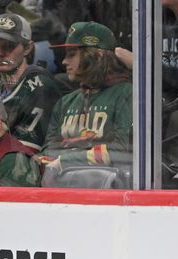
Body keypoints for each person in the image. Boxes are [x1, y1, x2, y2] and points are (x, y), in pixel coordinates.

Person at [39, 22, 133, 182]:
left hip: (110, 191)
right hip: (63, 188)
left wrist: (65, 160)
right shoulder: (65, 102)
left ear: (97, 54)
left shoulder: (127, 93)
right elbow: (48, 152)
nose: (64, 62)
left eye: (72, 54)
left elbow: (122, 151)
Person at [0, 14, 62, 151]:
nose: (0, 53)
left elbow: (25, 153)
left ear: (27, 48)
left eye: (9, 46)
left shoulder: (40, 87)